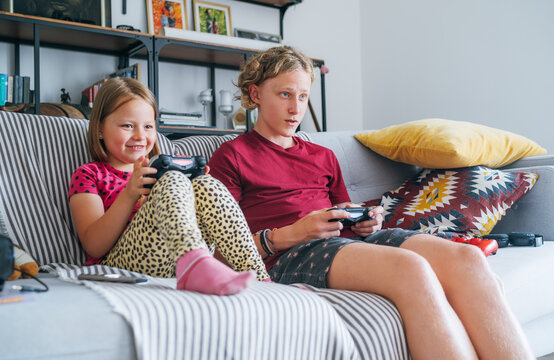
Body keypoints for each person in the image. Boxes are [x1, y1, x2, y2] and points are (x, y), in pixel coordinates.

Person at [209, 46, 534, 358]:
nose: (296, 109)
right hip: (288, 254)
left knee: (468, 259)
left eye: (303, 96)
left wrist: (367, 223)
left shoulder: (323, 156)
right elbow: (218, 252)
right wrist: (294, 232)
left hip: (348, 243)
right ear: (255, 94)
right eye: (285, 95)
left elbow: (347, 213)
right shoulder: (232, 156)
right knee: (411, 268)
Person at [68, 77, 270, 296]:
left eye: (148, 126)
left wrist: (195, 185)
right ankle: (194, 265)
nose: (140, 136)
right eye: (127, 125)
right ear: (99, 129)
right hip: (120, 266)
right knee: (173, 179)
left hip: (171, 261)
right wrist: (129, 195)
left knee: (205, 184)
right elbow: (94, 245)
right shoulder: (90, 174)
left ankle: (259, 276)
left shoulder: (162, 168)